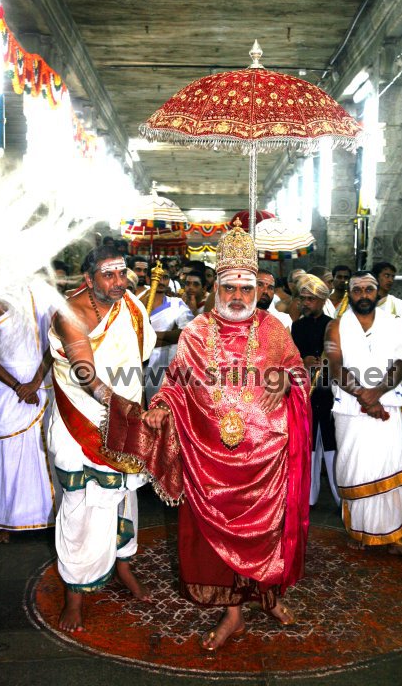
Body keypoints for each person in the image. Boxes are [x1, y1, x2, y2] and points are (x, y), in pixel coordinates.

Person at [101, 220, 311, 651]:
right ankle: (232, 614)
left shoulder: (274, 330)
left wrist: (289, 382)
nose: (237, 296)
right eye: (229, 287)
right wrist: (162, 406)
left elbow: (300, 375)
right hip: (210, 460)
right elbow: (175, 384)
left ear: (257, 290)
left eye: (246, 289)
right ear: (217, 287)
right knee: (217, 544)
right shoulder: (196, 333)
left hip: (267, 459)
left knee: (269, 534)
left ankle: (269, 596)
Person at [48, 245, 156, 632]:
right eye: (108, 275)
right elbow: (84, 373)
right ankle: (74, 593)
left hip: (125, 417)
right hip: (81, 420)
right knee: (80, 505)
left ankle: (122, 565)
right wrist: (119, 405)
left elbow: (141, 354)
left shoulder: (130, 307)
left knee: (123, 494)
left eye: (122, 273)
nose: (118, 282)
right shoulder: (70, 312)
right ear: (88, 278)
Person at [324, 271, 402, 557]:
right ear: (349, 293)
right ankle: (359, 531)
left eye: (369, 289)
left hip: (387, 402)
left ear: (377, 293)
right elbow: (335, 365)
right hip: (350, 409)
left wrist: (376, 393)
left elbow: (401, 363)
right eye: (357, 290)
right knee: (357, 467)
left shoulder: (393, 324)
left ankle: (396, 538)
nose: (363, 295)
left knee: (390, 468)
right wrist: (363, 396)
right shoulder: (335, 326)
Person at [0, 286, 60, 543]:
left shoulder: (45, 298)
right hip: (7, 387)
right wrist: (17, 386)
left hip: (42, 381)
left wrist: (34, 383)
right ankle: (9, 521)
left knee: (45, 448)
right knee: (9, 447)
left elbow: (56, 342)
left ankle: (52, 516)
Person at [292, 275, 340, 508]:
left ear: (322, 300)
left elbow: (342, 360)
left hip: (330, 393)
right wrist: (303, 361)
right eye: (303, 298)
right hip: (306, 394)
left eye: (310, 299)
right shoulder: (297, 326)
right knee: (308, 446)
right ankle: (308, 499)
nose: (305, 303)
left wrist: (327, 363)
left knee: (332, 445)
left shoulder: (334, 325)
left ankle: (340, 498)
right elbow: (289, 359)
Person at [145, 269, 194, 404]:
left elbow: (187, 332)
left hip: (163, 363)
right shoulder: (137, 302)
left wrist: (150, 337)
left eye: (165, 277)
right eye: (156, 277)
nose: (161, 281)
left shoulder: (176, 304)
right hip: (137, 363)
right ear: (148, 279)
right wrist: (167, 337)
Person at [371, 261, 402, 331]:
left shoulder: (400, 305)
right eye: (386, 276)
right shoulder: (363, 303)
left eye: (392, 277)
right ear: (375, 277)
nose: (390, 280)